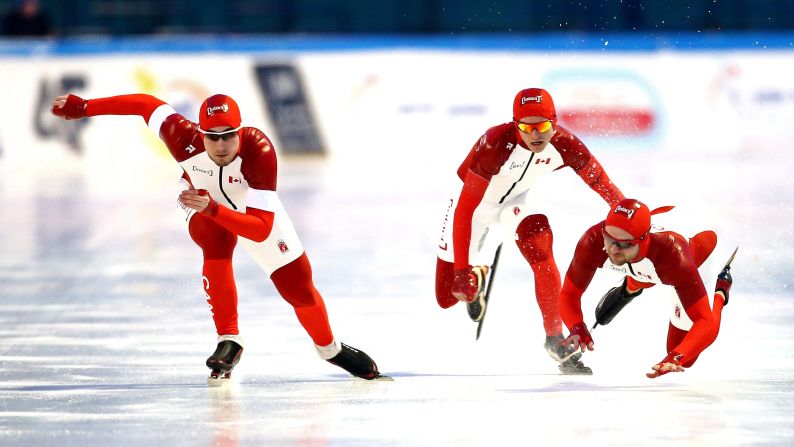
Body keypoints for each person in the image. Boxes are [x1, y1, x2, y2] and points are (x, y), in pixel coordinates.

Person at [51, 92, 383, 382]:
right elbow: (144, 104)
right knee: (214, 238)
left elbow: (261, 227)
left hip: (250, 211)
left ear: (240, 132)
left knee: (299, 288)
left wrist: (215, 208)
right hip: (200, 201)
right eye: (212, 137)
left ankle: (330, 350)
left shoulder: (260, 149)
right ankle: (230, 339)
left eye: (228, 136)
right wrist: (84, 107)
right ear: (200, 132)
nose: (221, 145)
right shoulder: (181, 136)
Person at [434, 87, 625, 374]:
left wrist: (628, 218)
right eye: (526, 127)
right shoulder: (494, 144)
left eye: (543, 126)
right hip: (472, 205)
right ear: (515, 124)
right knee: (447, 297)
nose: (536, 135)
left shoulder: (566, 143)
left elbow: (602, 184)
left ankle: (554, 337)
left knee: (540, 244)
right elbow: (465, 210)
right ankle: (477, 273)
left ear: (555, 122)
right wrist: (462, 270)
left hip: (516, 202)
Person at [558, 198, 735, 378]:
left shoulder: (674, 259)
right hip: (656, 246)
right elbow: (568, 294)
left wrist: (676, 357)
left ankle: (721, 290)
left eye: (625, 244)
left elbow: (706, 322)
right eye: (609, 238)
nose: (613, 249)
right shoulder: (594, 240)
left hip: (700, 254)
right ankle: (633, 283)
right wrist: (576, 326)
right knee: (644, 269)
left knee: (685, 357)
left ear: (643, 239)